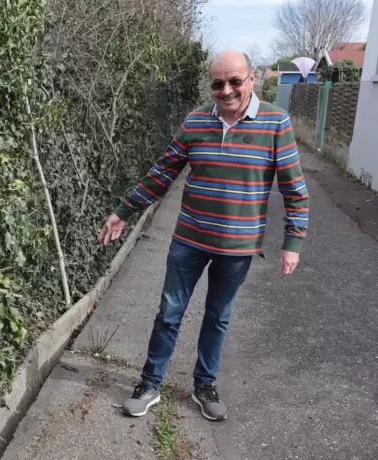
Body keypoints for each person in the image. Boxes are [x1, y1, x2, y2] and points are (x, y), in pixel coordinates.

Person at [98, 51, 309, 421]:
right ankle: (150, 383)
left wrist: (293, 243)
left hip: (238, 248)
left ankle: (204, 385)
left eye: (234, 81)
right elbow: (163, 173)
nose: (226, 90)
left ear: (251, 80)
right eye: (217, 83)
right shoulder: (196, 121)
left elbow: (295, 190)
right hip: (189, 241)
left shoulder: (276, 123)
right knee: (169, 313)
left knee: (218, 316)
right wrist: (124, 211)